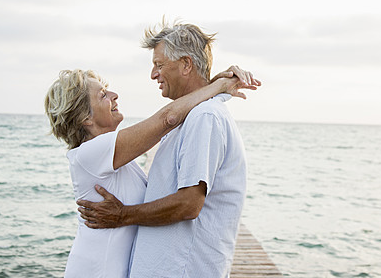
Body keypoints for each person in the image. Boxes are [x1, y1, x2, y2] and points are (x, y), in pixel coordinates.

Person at [77, 22, 261, 277]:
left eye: (159, 65)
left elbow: (188, 204)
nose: (154, 74)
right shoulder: (192, 117)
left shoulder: (204, 116)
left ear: (186, 65)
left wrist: (123, 215)